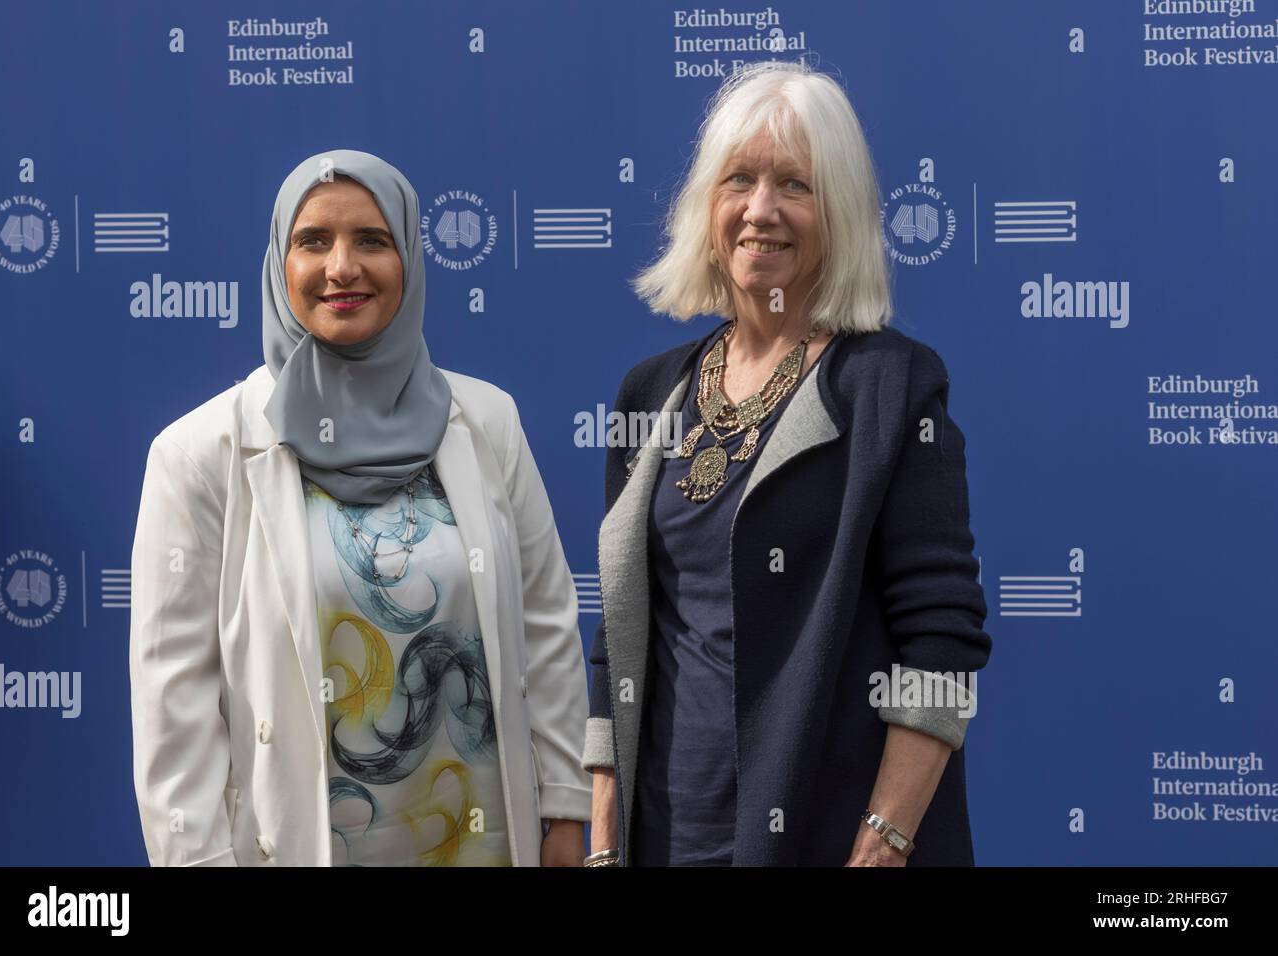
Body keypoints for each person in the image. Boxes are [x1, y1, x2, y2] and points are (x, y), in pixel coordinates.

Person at [580, 62, 993, 867]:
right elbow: (618, 640)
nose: (759, 210)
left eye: (794, 186)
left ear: (836, 213)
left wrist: (884, 841)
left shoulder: (891, 389)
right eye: (739, 180)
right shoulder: (650, 393)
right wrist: (602, 840)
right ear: (707, 206)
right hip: (661, 840)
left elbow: (941, 643)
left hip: (823, 837)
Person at [130, 149, 590, 866]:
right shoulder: (198, 454)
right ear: (279, 267)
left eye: (372, 240)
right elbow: (173, 706)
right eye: (313, 241)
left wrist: (564, 807)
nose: (342, 267)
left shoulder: (488, 422)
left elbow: (546, 624)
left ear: (409, 257)